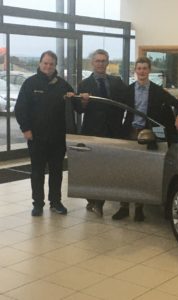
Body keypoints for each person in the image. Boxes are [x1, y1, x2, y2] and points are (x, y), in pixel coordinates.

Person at [112, 56, 178, 222]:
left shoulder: (158, 91)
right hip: (130, 133)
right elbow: (116, 111)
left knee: (141, 172)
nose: (142, 72)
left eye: (145, 68)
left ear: (149, 71)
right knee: (125, 172)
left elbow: (177, 103)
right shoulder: (128, 90)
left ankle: (139, 209)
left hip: (148, 135)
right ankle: (123, 207)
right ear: (135, 71)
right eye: (139, 69)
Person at [15, 50, 74, 217]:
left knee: (56, 171)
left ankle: (55, 202)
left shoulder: (62, 85)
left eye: (51, 64)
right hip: (36, 137)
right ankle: (38, 204)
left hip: (57, 138)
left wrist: (77, 98)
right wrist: (25, 129)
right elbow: (20, 109)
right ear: (40, 64)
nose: (48, 66)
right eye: (45, 63)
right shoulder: (30, 84)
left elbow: (75, 104)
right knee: (37, 172)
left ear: (55, 66)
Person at [73, 49, 128, 216]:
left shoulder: (117, 82)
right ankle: (94, 201)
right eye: (98, 61)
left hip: (113, 132)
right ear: (92, 63)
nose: (101, 64)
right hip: (92, 133)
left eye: (104, 61)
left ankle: (100, 201)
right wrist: (82, 102)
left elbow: (129, 99)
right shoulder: (84, 84)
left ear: (107, 63)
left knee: (109, 168)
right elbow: (77, 109)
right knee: (93, 169)